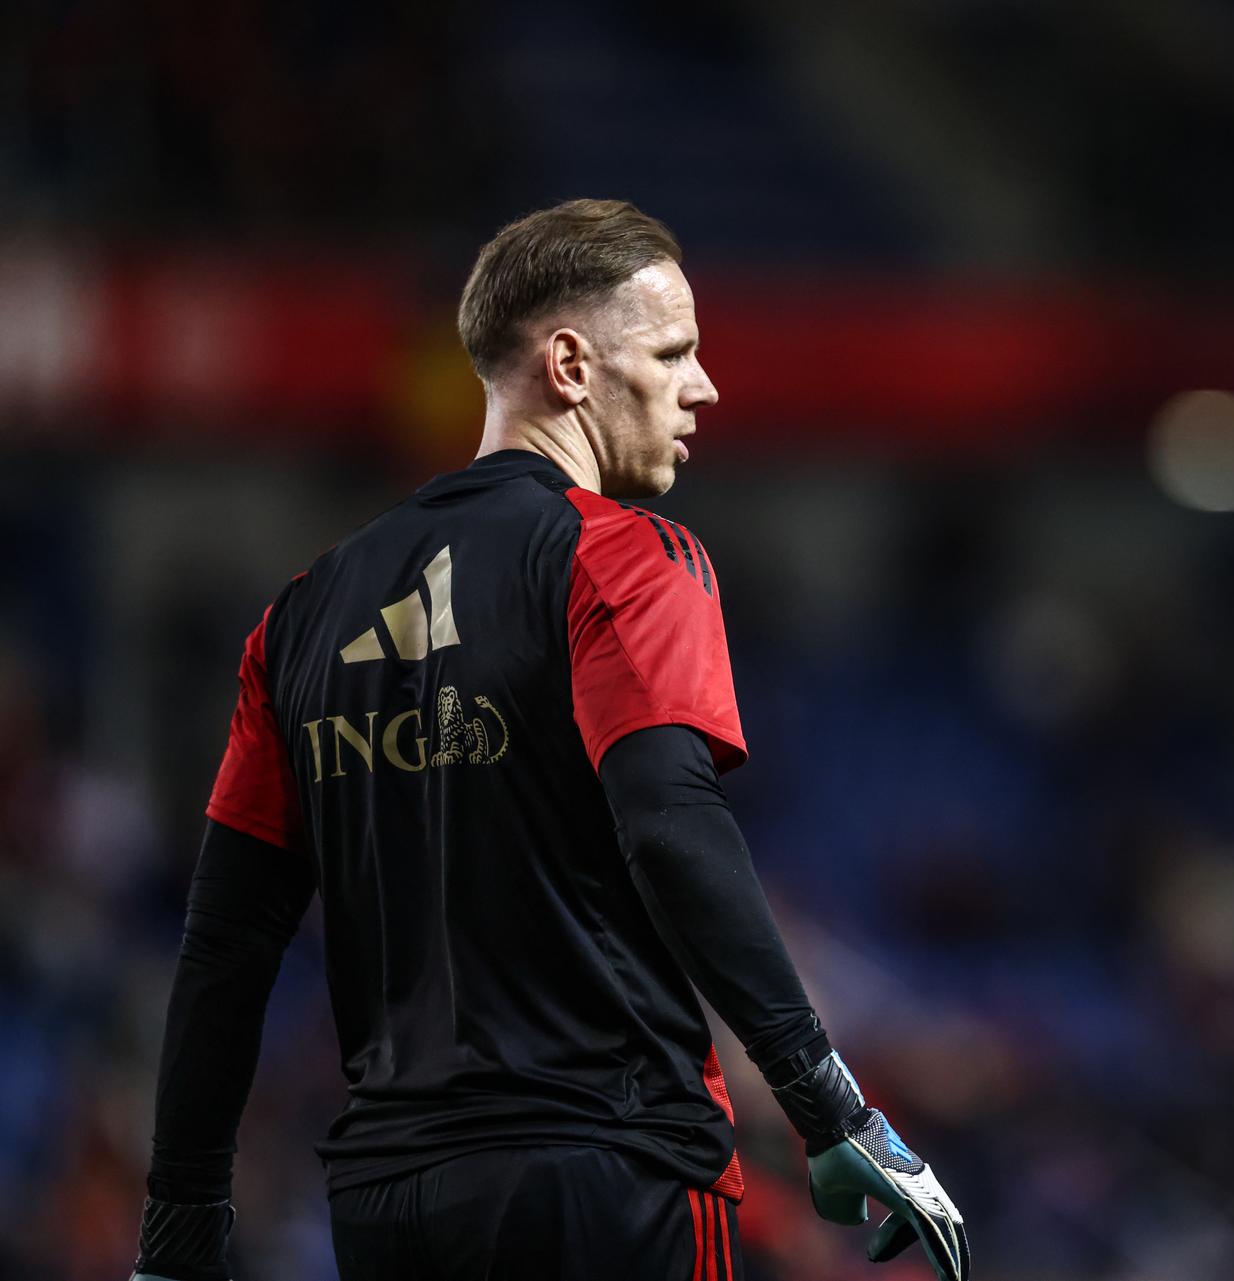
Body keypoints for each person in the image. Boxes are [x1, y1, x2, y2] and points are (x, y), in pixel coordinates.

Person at [127, 199, 969, 1281]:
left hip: (387, 1207)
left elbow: (227, 943)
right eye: (672, 352)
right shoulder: (625, 559)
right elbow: (669, 825)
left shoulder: (301, 614)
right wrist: (831, 1105)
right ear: (570, 365)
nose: (703, 386)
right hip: (612, 1174)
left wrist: (181, 1225)